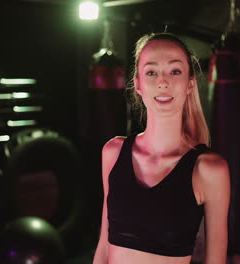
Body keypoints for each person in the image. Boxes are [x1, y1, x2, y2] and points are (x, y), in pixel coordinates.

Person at [93, 32, 231, 264]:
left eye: (174, 71)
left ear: (190, 84)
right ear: (137, 84)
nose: (163, 82)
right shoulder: (113, 153)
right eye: (151, 72)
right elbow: (103, 248)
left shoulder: (209, 170)